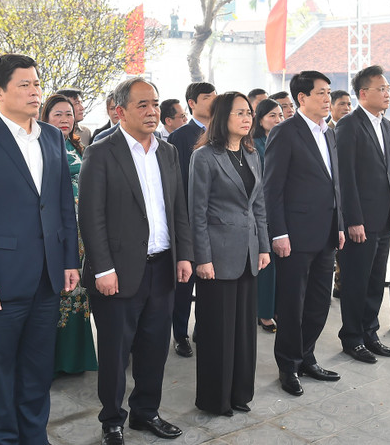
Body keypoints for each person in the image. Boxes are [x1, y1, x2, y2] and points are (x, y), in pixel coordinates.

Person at [0, 54, 80, 444]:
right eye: (24, 84)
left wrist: (69, 260)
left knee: (38, 371)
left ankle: (34, 436)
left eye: (37, 83)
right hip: (0, 284)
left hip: (47, 278)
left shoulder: (53, 136)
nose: (35, 91)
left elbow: (61, 205)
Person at [78, 77, 193, 445]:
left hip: (162, 266)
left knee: (154, 347)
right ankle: (112, 420)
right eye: (142, 104)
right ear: (120, 110)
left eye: (155, 104)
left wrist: (184, 255)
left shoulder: (167, 151)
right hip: (118, 271)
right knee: (114, 351)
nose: (151, 111)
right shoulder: (101, 151)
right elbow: (90, 216)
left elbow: (178, 209)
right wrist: (103, 268)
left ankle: (146, 412)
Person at [264, 70, 345, 397]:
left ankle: (307, 356)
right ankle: (288, 365)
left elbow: (334, 183)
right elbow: (273, 189)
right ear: (301, 98)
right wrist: (278, 233)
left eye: (329, 93)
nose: (328, 98)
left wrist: (339, 224)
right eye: (321, 93)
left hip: (326, 233)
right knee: (292, 305)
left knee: (318, 303)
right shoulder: (285, 132)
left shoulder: (329, 132)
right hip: (294, 236)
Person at [189, 92, 270, 416]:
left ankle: (239, 394)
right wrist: (203, 258)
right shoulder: (205, 156)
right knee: (217, 333)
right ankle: (214, 399)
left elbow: (259, 207)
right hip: (217, 257)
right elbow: (197, 212)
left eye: (249, 112)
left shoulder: (251, 154)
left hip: (248, 253)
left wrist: (263, 246)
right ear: (223, 117)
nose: (247, 117)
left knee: (243, 332)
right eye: (240, 112)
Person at [336, 65, 390, 363]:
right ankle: (352, 337)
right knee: (356, 282)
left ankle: (370, 333)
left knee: (376, 280)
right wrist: (353, 220)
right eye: (381, 88)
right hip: (361, 221)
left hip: (384, 218)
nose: (388, 93)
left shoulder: (386, 125)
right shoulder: (349, 125)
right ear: (363, 93)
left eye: (388, 89)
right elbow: (345, 177)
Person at [40, 94, 98, 375]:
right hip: (55, 234)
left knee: (78, 294)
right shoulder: (39, 146)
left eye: (68, 114)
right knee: (56, 295)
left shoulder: (80, 146)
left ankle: (74, 359)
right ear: (45, 117)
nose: (64, 120)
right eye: (58, 115)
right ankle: (51, 360)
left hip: (81, 235)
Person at [167, 82, 217, 358]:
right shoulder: (181, 137)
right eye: (207, 97)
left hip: (216, 223)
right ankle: (180, 334)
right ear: (192, 103)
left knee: (210, 281)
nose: (213, 101)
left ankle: (203, 328)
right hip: (187, 221)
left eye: (215, 96)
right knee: (184, 284)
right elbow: (178, 183)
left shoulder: (221, 132)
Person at [252, 99, 283, 332]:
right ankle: (263, 313)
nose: (278, 120)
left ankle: (274, 307)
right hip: (261, 211)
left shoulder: (283, 139)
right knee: (267, 264)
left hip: (283, 210)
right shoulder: (254, 144)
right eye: (272, 115)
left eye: (280, 115)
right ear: (260, 118)